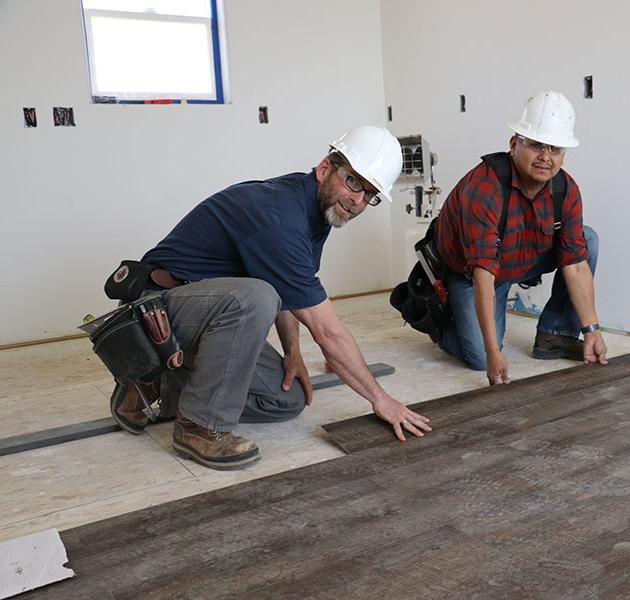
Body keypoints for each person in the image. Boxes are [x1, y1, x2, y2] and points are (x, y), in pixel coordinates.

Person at [110, 125, 431, 470]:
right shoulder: (278, 216)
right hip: (153, 315)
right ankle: (198, 426)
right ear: (325, 168)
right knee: (256, 297)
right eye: (354, 183)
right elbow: (327, 333)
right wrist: (381, 400)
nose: (358, 201)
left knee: (285, 399)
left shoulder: (316, 212)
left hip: (199, 315)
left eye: (370, 195)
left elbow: (288, 289)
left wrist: (292, 352)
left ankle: (160, 384)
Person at [433, 91, 608, 385]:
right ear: (514, 144)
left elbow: (575, 264)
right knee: (478, 357)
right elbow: (483, 272)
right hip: (472, 271)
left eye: (555, 149)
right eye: (536, 145)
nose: (545, 157)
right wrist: (492, 352)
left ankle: (556, 335)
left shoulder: (565, 189)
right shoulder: (486, 187)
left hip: (520, 257)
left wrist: (592, 330)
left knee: (586, 241)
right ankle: (441, 324)